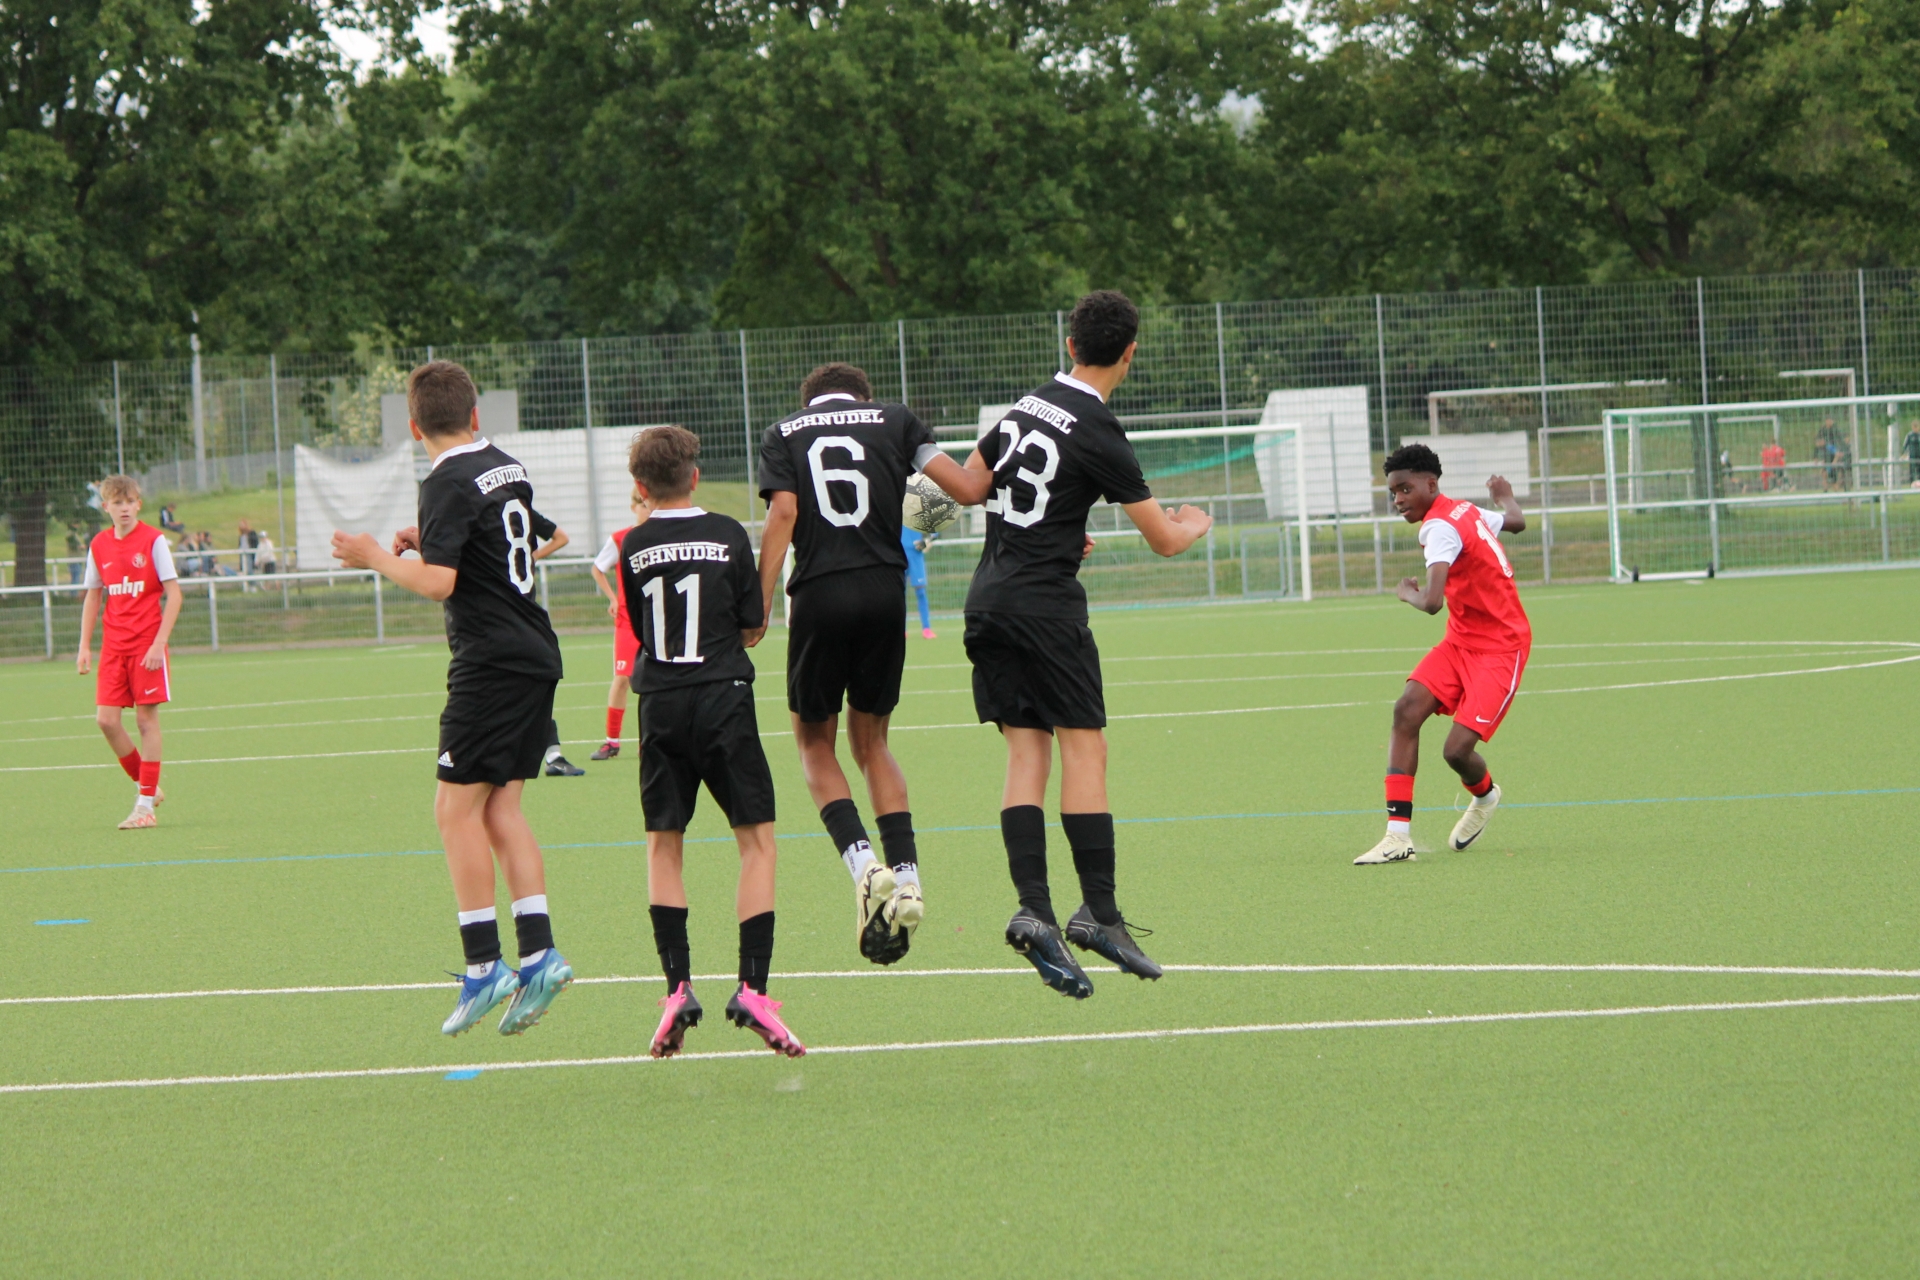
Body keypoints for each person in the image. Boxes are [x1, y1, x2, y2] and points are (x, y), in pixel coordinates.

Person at [960, 290, 1211, 998]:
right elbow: (1164, 540)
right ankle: (1098, 913)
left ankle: (1033, 910)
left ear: (1070, 345)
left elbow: (971, 484)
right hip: (1045, 609)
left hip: (988, 601)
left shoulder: (1026, 405)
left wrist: (1058, 528)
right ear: (1130, 353)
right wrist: (1194, 522)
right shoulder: (1099, 427)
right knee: (1085, 750)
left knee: (1025, 754)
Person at [331, 360, 573, 1039]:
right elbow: (505, 539)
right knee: (501, 809)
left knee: (453, 809)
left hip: (490, 662)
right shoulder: (505, 465)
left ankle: (484, 966)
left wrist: (377, 556)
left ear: (413, 428)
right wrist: (433, 540)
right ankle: (539, 956)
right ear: (475, 415)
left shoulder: (442, 480)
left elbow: (440, 583)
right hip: (535, 651)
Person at [752, 362, 991, 965]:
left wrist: (758, 604)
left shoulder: (784, 432)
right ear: (865, 397)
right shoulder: (896, 420)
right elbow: (965, 490)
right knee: (873, 742)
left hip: (820, 593)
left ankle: (865, 867)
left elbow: (784, 513)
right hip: (885, 592)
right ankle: (907, 876)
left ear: (810, 399)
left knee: (814, 743)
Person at [619, 426, 801, 1058]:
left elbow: (643, 627)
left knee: (663, 845)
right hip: (724, 698)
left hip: (660, 704)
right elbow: (751, 623)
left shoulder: (634, 543)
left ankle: (677, 988)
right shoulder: (727, 534)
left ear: (640, 487)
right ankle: (753, 989)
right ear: (695, 477)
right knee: (757, 843)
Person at [1356, 443, 1530, 865]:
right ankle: (1397, 837)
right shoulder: (1463, 510)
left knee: (1456, 752)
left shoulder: (1439, 527)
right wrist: (1504, 497)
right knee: (1406, 710)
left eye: (1405, 489)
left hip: (1501, 648)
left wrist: (1407, 594)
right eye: (1393, 492)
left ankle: (1485, 795)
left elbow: (1433, 602)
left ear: (1431, 484)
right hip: (1460, 641)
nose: (1398, 500)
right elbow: (1516, 522)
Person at [76, 475, 184, 830]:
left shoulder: (153, 541)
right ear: (105, 506)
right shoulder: (99, 545)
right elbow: (94, 595)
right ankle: (147, 786)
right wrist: (84, 646)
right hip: (113, 647)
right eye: (117, 503)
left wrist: (158, 644)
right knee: (106, 721)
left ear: (138, 504)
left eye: (129, 502)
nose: (124, 508)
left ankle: (144, 807)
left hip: (146, 646)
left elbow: (175, 595)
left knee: (145, 721)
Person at [587, 488, 653, 760]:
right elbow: (597, 568)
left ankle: (650, 741)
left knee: (654, 679)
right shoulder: (620, 539)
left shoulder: (660, 536)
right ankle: (612, 741)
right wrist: (613, 598)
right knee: (623, 678)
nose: (647, 510)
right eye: (642, 505)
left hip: (655, 618)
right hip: (628, 620)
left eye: (650, 505)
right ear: (633, 507)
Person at [524, 516, 585, 777]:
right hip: (518, 615)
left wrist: (532, 557)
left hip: (506, 615)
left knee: (530, 685)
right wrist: (530, 558)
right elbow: (561, 537)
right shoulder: (520, 506)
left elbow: (561, 538)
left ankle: (553, 754)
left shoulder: (480, 505)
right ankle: (552, 755)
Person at [903, 524, 938, 639]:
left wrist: (928, 540)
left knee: (921, 592)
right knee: (899, 594)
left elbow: (935, 529)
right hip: (899, 555)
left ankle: (926, 629)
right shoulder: (894, 513)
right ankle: (902, 630)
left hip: (916, 555)